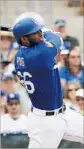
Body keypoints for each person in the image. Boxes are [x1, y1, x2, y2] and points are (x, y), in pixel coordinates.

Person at [12, 16, 83, 148]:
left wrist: (38, 32)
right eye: (35, 32)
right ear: (24, 39)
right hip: (44, 124)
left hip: (64, 112)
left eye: (39, 31)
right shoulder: (40, 54)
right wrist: (47, 31)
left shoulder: (19, 56)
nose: (40, 34)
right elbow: (56, 39)